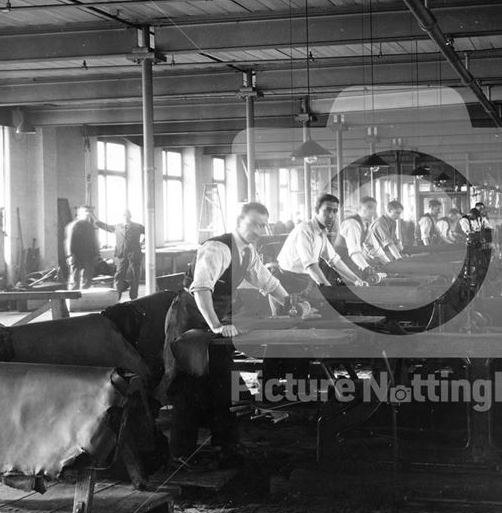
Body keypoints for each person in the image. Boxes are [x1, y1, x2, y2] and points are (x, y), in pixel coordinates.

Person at [162, 202, 292, 468]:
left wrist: (290, 302)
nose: (260, 230)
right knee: (190, 383)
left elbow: (267, 282)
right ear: (239, 221)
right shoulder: (217, 248)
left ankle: (225, 446)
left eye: (263, 225)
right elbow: (201, 290)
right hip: (191, 320)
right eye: (254, 224)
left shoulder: (247, 251)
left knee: (225, 380)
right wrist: (216, 326)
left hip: (214, 322)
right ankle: (180, 455)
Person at [277, 193, 368, 287]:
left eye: (334, 211)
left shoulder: (321, 232)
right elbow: (311, 266)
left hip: (304, 278)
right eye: (327, 210)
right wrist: (329, 290)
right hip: (288, 281)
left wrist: (357, 281)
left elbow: (334, 260)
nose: (331, 216)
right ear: (317, 210)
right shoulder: (305, 230)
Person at [95, 209, 145, 301]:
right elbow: (106, 227)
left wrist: (143, 242)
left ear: (130, 216)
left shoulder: (138, 227)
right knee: (119, 275)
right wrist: (94, 219)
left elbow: (149, 232)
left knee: (135, 274)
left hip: (134, 254)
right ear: (122, 216)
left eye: (127, 215)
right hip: (121, 254)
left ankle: (133, 297)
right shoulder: (117, 227)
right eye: (124, 215)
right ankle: (117, 297)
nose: (125, 216)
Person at [335, 195, 378, 276]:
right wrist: (366, 267)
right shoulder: (352, 224)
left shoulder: (366, 225)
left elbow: (374, 247)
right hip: (341, 264)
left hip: (352, 262)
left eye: (374, 208)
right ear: (359, 208)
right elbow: (354, 251)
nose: (372, 211)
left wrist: (387, 262)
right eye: (369, 207)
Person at [63, 206, 100, 290]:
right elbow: (68, 242)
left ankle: (85, 297)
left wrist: (96, 254)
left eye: (89, 212)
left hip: (88, 255)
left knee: (88, 280)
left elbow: (94, 240)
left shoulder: (90, 226)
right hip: (76, 255)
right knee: (75, 281)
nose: (88, 214)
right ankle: (73, 297)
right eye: (86, 212)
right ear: (79, 214)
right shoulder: (73, 226)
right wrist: (69, 255)